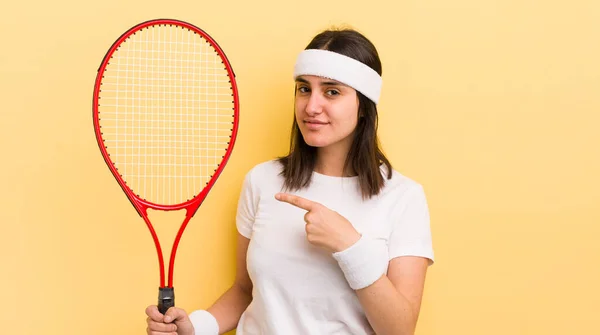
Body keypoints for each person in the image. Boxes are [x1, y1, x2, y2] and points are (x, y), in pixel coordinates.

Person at [146, 28, 434, 335]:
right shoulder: (263, 180)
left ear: (364, 106)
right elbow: (245, 291)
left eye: (332, 91)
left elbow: (400, 329)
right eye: (304, 89)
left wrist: (349, 246)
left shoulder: (404, 198)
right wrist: (196, 328)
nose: (311, 107)